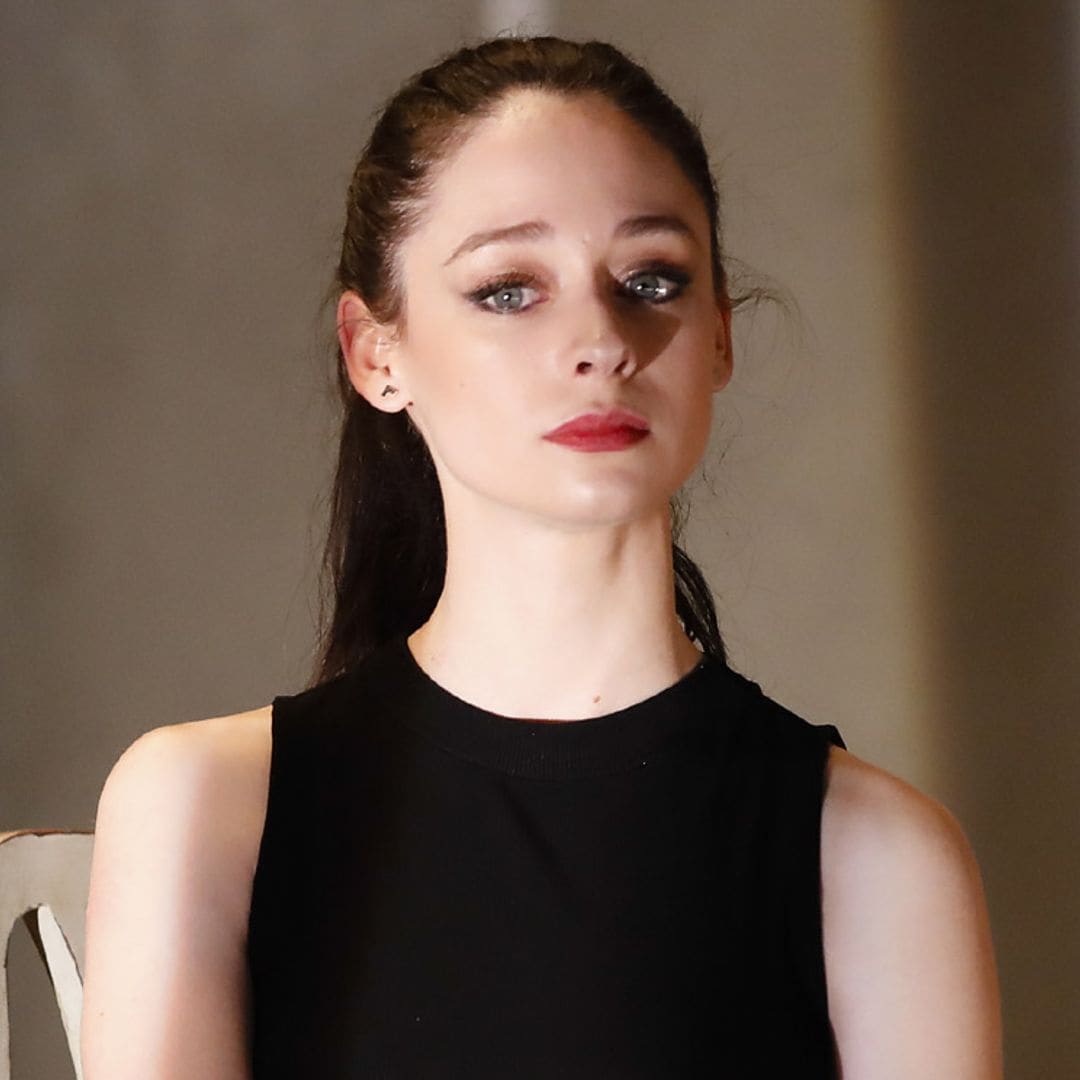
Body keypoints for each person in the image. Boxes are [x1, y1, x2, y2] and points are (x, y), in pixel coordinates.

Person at [80, 34, 1003, 1078]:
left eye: (651, 279)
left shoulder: (878, 856)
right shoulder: (205, 809)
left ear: (719, 337)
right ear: (375, 354)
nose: (601, 340)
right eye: (510, 289)